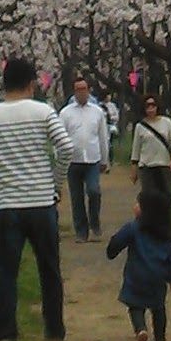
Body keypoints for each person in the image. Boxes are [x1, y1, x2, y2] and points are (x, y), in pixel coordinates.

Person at [0, 54, 75, 341]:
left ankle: (5, 335)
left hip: (6, 206)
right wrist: (54, 184)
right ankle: (54, 333)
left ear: (4, 85)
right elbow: (66, 148)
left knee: (6, 272)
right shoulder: (43, 112)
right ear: (32, 83)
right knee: (49, 270)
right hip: (41, 203)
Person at [106, 186, 171, 341]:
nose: (135, 206)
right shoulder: (165, 234)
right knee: (158, 306)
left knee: (135, 305)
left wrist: (111, 251)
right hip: (158, 277)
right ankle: (160, 336)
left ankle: (141, 330)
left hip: (136, 276)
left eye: (138, 204)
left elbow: (117, 242)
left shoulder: (133, 227)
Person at [59, 74, 111, 241]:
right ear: (74, 93)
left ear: (89, 90)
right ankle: (81, 231)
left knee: (94, 191)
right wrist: (60, 159)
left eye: (84, 89)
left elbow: (103, 137)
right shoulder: (66, 113)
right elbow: (59, 138)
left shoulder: (98, 112)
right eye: (78, 90)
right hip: (72, 161)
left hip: (92, 160)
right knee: (76, 198)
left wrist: (105, 160)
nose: (81, 93)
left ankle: (94, 222)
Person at [130, 92, 171, 199]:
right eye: (147, 106)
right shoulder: (140, 126)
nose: (150, 109)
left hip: (164, 166)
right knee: (148, 198)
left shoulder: (167, 122)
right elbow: (136, 149)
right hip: (146, 167)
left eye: (153, 105)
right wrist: (134, 169)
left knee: (165, 196)